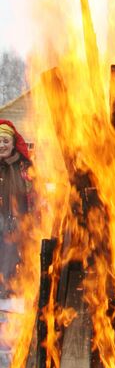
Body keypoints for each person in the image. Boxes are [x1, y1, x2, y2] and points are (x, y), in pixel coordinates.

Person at [0, 121, 34, 296]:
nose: (2, 145)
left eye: (5, 141)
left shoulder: (23, 166)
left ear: (13, 143)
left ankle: (9, 288)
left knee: (12, 251)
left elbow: (33, 193)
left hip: (17, 218)